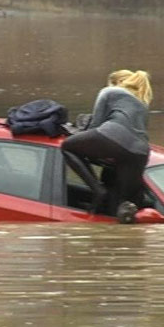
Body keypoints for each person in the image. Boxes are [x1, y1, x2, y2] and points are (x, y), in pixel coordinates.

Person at [61, 69, 153, 223]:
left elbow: (96, 126)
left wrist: (79, 132)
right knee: (124, 202)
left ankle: (97, 190)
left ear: (115, 82)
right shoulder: (142, 104)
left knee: (67, 147)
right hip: (140, 152)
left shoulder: (109, 92)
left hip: (113, 135)